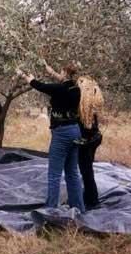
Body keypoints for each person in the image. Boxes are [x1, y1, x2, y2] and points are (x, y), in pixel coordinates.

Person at [17, 61, 85, 213]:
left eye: (60, 72)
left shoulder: (59, 89)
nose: (58, 75)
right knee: (72, 172)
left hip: (62, 133)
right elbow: (61, 81)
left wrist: (26, 77)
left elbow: (40, 86)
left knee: (54, 174)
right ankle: (79, 207)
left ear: (65, 73)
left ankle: (50, 210)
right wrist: (49, 69)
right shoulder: (76, 88)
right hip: (75, 130)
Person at [76, 75, 105, 210]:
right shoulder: (91, 100)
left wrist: (79, 142)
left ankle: (92, 200)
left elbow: (86, 129)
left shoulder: (84, 104)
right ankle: (89, 196)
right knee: (87, 170)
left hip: (88, 141)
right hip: (93, 139)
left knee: (86, 170)